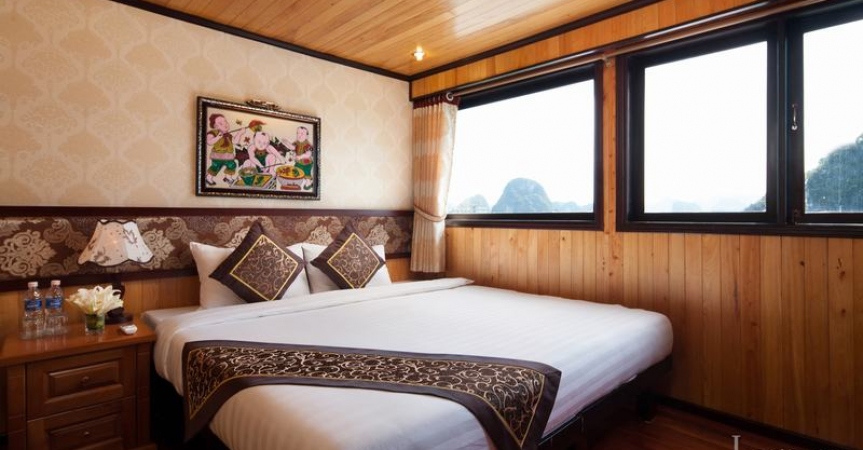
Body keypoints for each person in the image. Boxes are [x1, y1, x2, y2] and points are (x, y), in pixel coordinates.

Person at [204, 113, 247, 186]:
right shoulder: (214, 133)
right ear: (215, 126)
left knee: (232, 165)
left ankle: (228, 177)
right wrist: (217, 137)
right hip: (217, 156)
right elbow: (209, 141)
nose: (225, 124)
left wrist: (239, 133)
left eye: (225, 122)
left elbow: (235, 142)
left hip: (228, 156)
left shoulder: (229, 135)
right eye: (221, 123)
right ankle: (208, 178)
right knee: (215, 167)